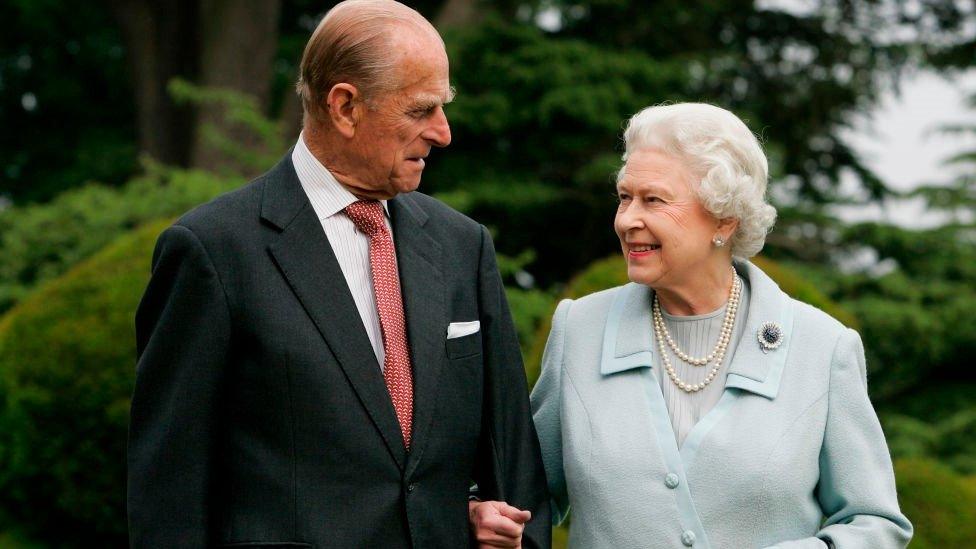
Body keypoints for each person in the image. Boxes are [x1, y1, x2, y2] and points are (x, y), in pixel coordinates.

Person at [126, 1, 550, 547]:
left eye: (442, 108)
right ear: (345, 106)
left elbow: (513, 463)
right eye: (421, 111)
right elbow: (168, 491)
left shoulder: (462, 246)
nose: (442, 133)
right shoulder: (212, 251)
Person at [471, 103, 912, 548]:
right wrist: (484, 515)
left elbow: (875, 523)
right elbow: (523, 494)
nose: (627, 220)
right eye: (625, 197)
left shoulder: (823, 348)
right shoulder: (580, 329)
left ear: (724, 218)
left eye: (654, 200)